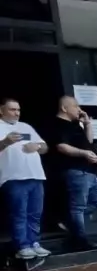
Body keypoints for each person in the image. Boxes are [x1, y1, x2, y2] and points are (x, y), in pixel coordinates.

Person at [47, 96, 97, 250]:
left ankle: (68, 220)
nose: (79, 110)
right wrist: (83, 153)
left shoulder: (75, 124)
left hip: (89, 170)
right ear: (64, 108)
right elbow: (62, 147)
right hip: (75, 170)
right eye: (75, 106)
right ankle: (80, 240)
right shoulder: (58, 124)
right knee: (78, 207)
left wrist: (87, 125)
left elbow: (88, 142)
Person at [0, 98, 50, 260]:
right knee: (19, 213)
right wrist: (6, 142)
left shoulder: (26, 127)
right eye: (12, 110)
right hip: (13, 176)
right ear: (1, 110)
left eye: (18, 110)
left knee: (35, 213)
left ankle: (34, 242)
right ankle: (23, 245)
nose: (16, 113)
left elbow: (44, 147)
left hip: (35, 175)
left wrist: (37, 146)